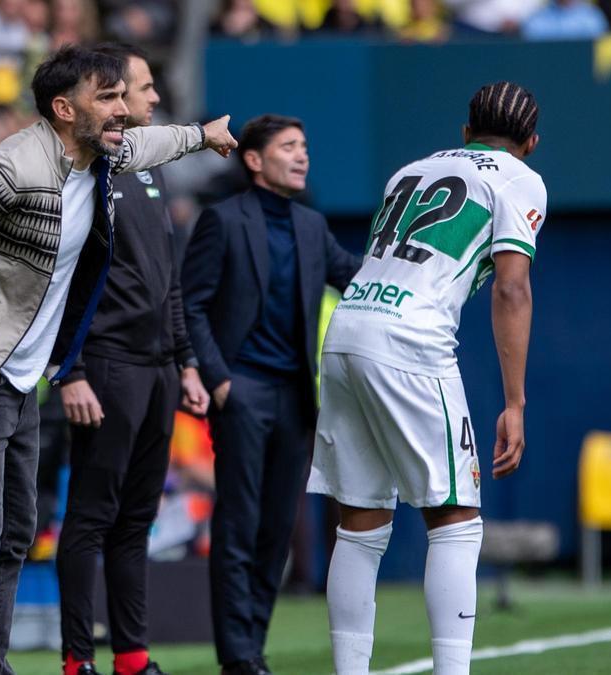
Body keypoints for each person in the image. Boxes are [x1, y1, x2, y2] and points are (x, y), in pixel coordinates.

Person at [0, 45, 237, 675]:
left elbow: (152, 145)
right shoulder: (15, 166)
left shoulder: (103, 155)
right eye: (106, 98)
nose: (122, 110)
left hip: (22, 374)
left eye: (119, 96)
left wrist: (201, 136)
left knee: (16, 530)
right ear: (63, 108)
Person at [306, 81, 546, 675]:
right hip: (411, 343)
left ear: (464, 133)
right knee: (457, 521)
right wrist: (514, 401)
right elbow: (512, 287)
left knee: (358, 526)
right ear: (531, 143)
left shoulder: (408, 171)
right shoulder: (519, 179)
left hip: (348, 328)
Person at [181, 114, 359, 675]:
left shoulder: (311, 225)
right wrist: (219, 378)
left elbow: (353, 277)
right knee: (238, 525)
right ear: (254, 160)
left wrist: (418, 266)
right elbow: (192, 305)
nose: (302, 156)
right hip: (244, 391)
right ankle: (238, 657)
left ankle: (251, 648)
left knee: (278, 528)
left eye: (304, 146)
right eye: (288, 147)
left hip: (294, 398)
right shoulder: (222, 221)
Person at [55, 43, 210, 675]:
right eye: (136, 90)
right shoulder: (83, 169)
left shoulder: (149, 168)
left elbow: (167, 280)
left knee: (138, 517)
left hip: (158, 369)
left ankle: (132, 656)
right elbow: (60, 278)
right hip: (108, 362)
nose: (146, 100)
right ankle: (74, 660)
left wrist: (187, 361)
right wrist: (74, 369)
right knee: (91, 516)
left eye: (141, 90)